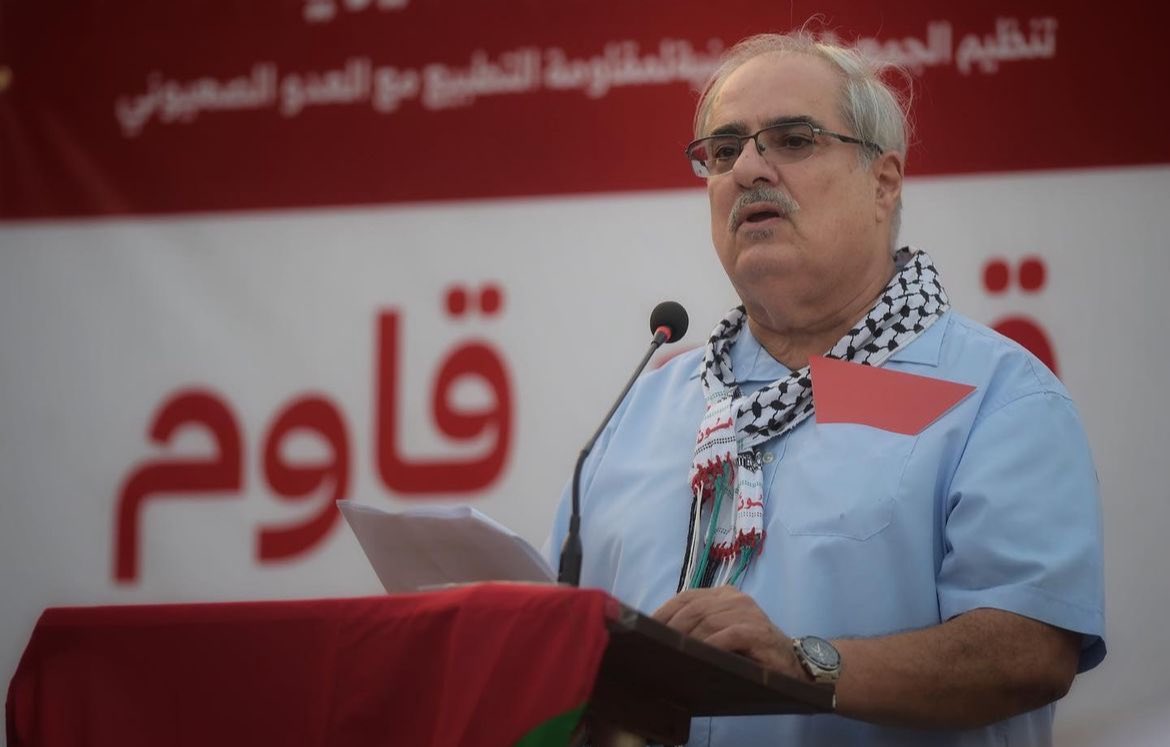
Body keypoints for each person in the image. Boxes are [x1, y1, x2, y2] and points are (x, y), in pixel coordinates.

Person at [547, 31, 1105, 747]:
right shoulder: (643, 409)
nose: (749, 168)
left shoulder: (993, 398)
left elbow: (1028, 651)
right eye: (724, 150)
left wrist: (805, 663)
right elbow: (553, 636)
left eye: (793, 140)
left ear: (884, 183)